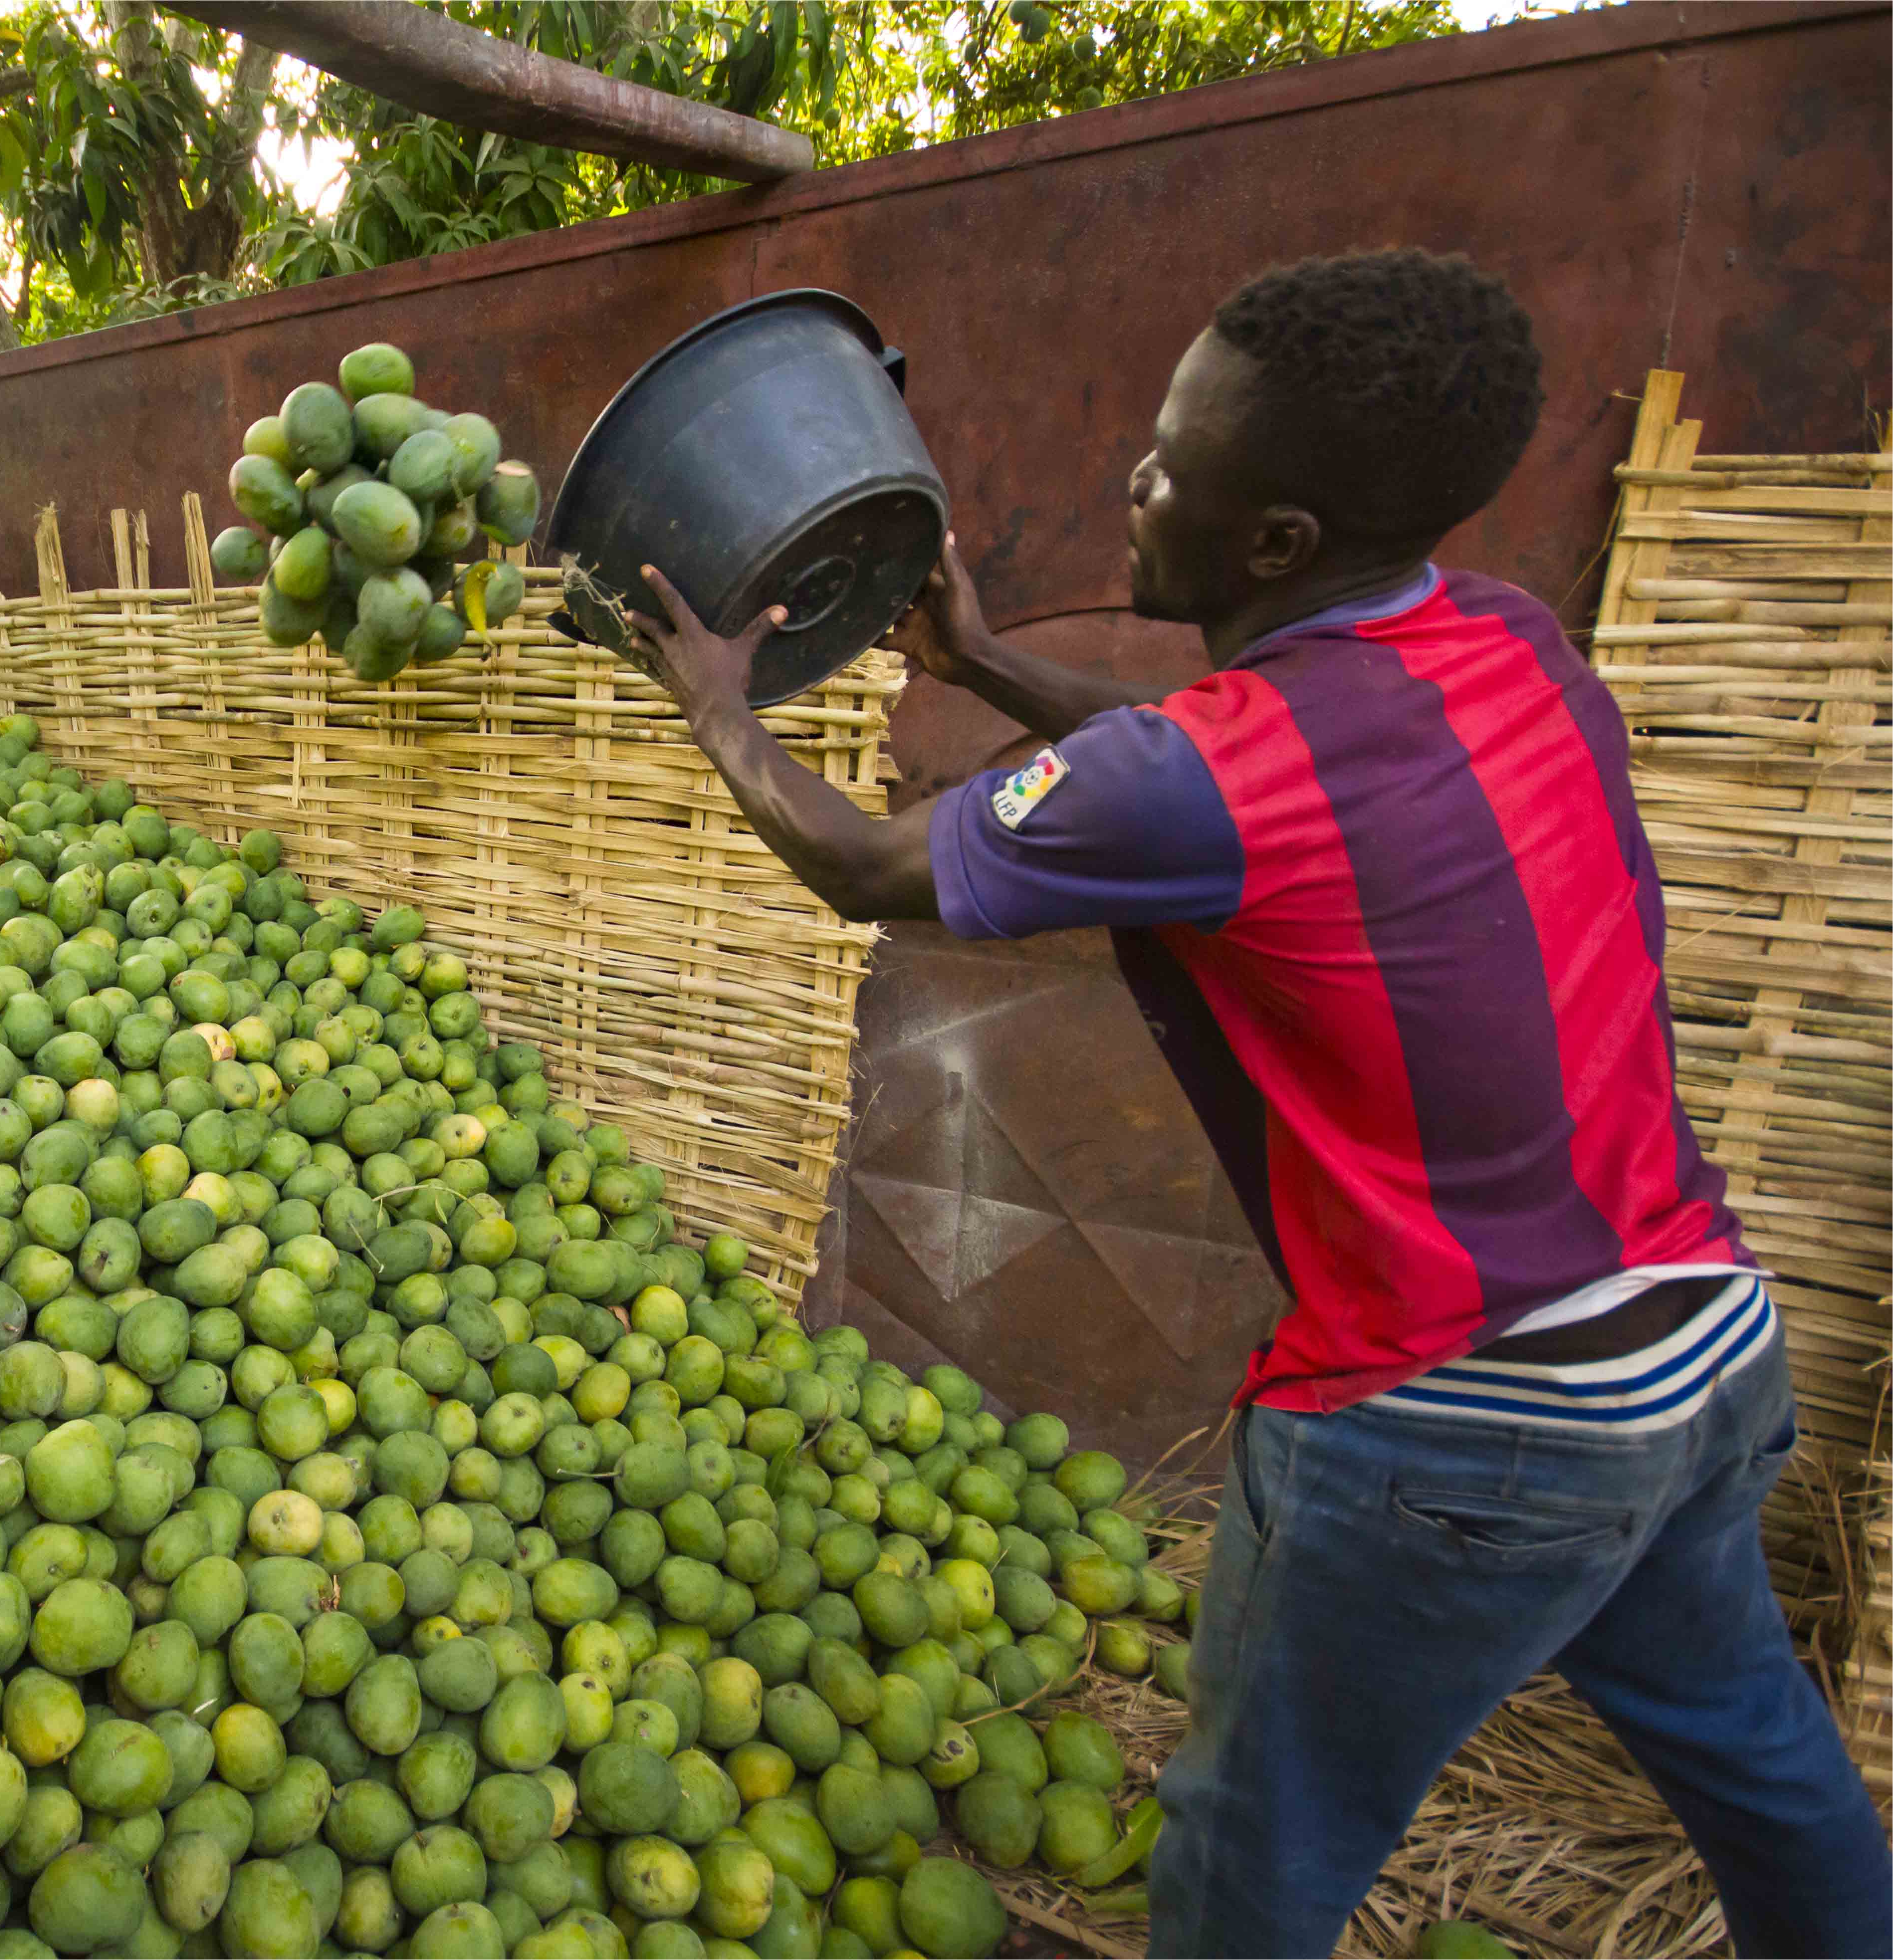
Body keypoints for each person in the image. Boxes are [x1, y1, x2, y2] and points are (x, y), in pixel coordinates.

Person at [626, 246, 1893, 1960]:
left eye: (1168, 460)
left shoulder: (1206, 774)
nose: (1132, 477)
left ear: (1274, 542)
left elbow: (864, 860)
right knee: (1759, 1761)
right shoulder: (1496, 641)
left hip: (1465, 1421)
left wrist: (718, 708)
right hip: (1692, 1351)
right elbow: (1187, 762)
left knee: (1248, 1849)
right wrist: (991, 665)